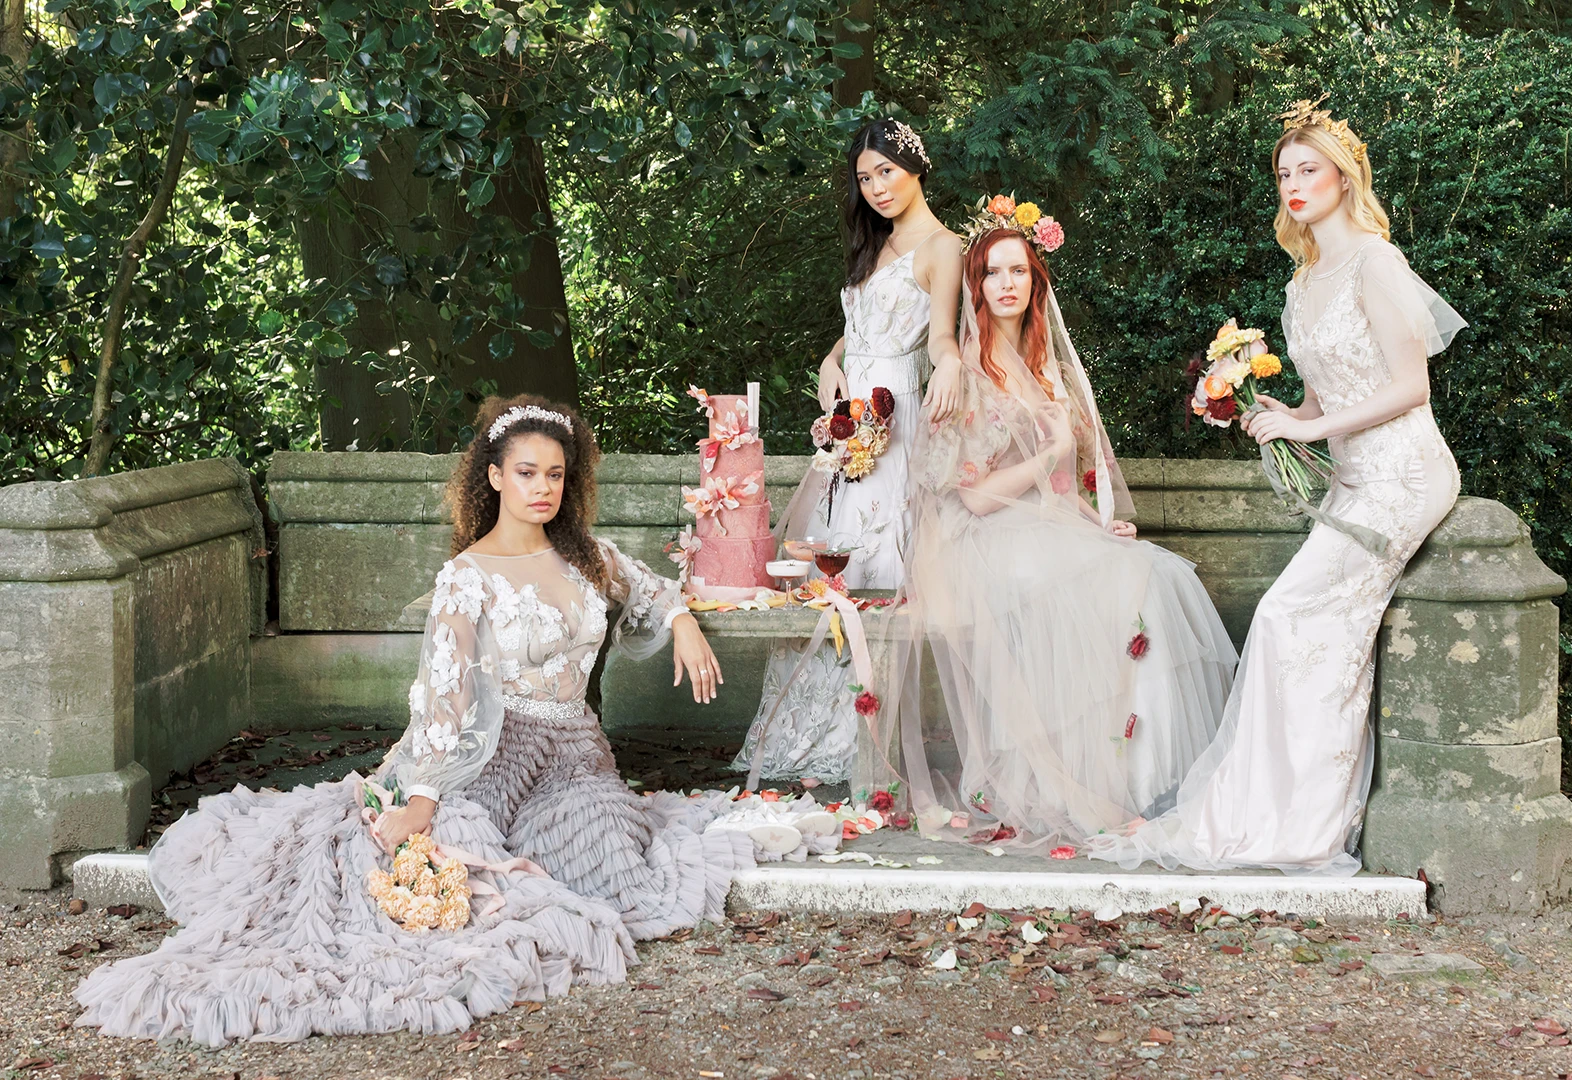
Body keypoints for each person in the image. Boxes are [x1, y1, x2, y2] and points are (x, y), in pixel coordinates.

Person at [75, 396, 832, 1045]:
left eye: (556, 475)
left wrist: (684, 622)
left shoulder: (588, 557)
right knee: (458, 862)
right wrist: (420, 802)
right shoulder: (467, 576)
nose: (542, 489)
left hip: (573, 751)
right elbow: (447, 698)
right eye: (526, 473)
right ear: (496, 477)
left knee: (612, 873)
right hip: (485, 747)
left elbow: (654, 588)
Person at [1088, 100, 1465, 874]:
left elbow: (1409, 388)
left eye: (1309, 170)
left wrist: (1309, 432)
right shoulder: (1303, 283)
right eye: (1284, 174)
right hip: (1353, 478)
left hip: (1404, 473)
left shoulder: (1374, 261)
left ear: (1343, 175)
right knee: (1291, 622)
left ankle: (1306, 823)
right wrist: (1283, 412)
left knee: (1290, 616)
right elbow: (1327, 394)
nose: (1294, 184)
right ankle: (1271, 807)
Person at [864, 204, 1237, 845]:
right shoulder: (967, 377)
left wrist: (1094, 524)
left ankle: (1141, 776)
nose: (1007, 283)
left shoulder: (1052, 375)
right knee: (1098, 584)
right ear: (974, 286)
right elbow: (978, 499)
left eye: (1019, 271)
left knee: (1153, 572)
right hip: (976, 537)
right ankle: (1072, 778)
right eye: (991, 273)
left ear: (1036, 284)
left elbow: (1061, 487)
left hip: (1037, 525)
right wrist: (1048, 452)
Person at [732, 118, 965, 784]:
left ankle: (858, 742)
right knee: (824, 567)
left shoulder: (942, 247)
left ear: (915, 165)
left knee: (872, 565)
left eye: (886, 172)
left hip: (893, 419)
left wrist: (946, 367)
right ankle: (799, 739)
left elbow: (941, 337)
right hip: (848, 417)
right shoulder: (876, 244)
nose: (876, 188)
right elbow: (852, 333)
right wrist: (827, 364)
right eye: (865, 178)